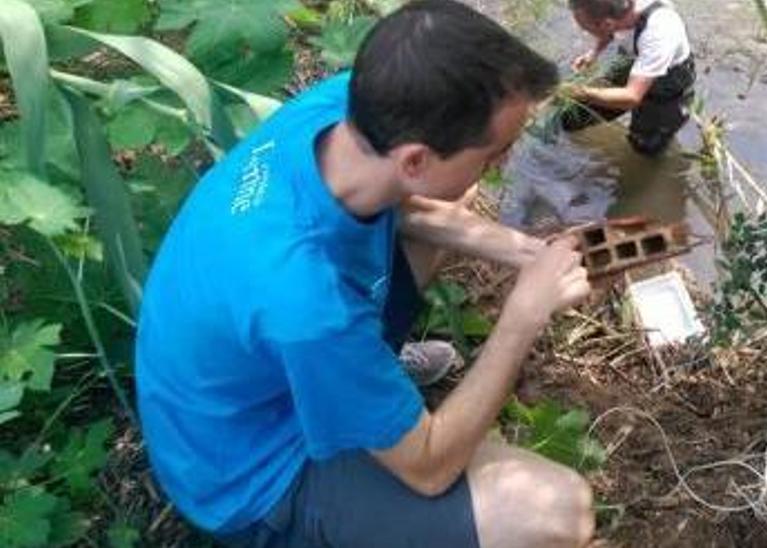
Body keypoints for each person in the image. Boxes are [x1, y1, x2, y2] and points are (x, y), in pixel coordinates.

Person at [134, 2, 596, 546]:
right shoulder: (306, 302)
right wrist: (523, 315)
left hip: (257, 372)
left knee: (449, 207)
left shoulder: (349, 109)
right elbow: (429, 470)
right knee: (558, 510)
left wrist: (524, 253)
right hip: (253, 475)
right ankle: (358, 404)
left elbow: (412, 210)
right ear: (416, 161)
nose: (502, 163)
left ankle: (361, 384)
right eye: (496, 151)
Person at [561, 0, 696, 155]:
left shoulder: (658, 32)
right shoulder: (619, 11)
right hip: (634, 57)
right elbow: (607, 31)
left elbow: (631, 96)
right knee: (573, 117)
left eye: (586, 29)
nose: (585, 32)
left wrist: (581, 92)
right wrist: (593, 53)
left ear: (608, 24)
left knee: (644, 146)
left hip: (669, 78)